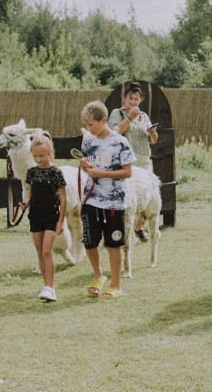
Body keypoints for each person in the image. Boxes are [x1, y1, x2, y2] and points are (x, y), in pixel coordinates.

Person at [80, 100, 135, 299]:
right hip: (90, 199)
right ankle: (98, 275)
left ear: (103, 120)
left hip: (114, 202)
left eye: (91, 125)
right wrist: (85, 166)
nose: (88, 129)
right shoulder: (87, 140)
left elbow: (128, 172)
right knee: (89, 241)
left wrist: (100, 173)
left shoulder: (120, 142)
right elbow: (87, 166)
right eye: (86, 125)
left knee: (113, 243)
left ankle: (116, 285)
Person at [108, 81, 158, 243]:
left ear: (140, 100)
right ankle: (119, 230)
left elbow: (154, 140)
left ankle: (138, 226)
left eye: (136, 99)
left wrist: (153, 133)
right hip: (127, 162)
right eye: (131, 99)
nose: (133, 102)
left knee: (146, 197)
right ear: (125, 100)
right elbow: (114, 133)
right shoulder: (118, 113)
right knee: (125, 198)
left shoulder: (145, 117)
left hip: (144, 162)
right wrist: (129, 118)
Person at [20, 134, 66, 302]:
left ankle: (50, 287)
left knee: (47, 251)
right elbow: (33, 193)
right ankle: (45, 286)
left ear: (50, 153)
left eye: (42, 155)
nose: (38, 159)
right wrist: (26, 204)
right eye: (35, 156)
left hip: (51, 217)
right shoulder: (31, 173)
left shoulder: (56, 173)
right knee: (40, 252)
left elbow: (63, 198)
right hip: (35, 216)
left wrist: (61, 221)